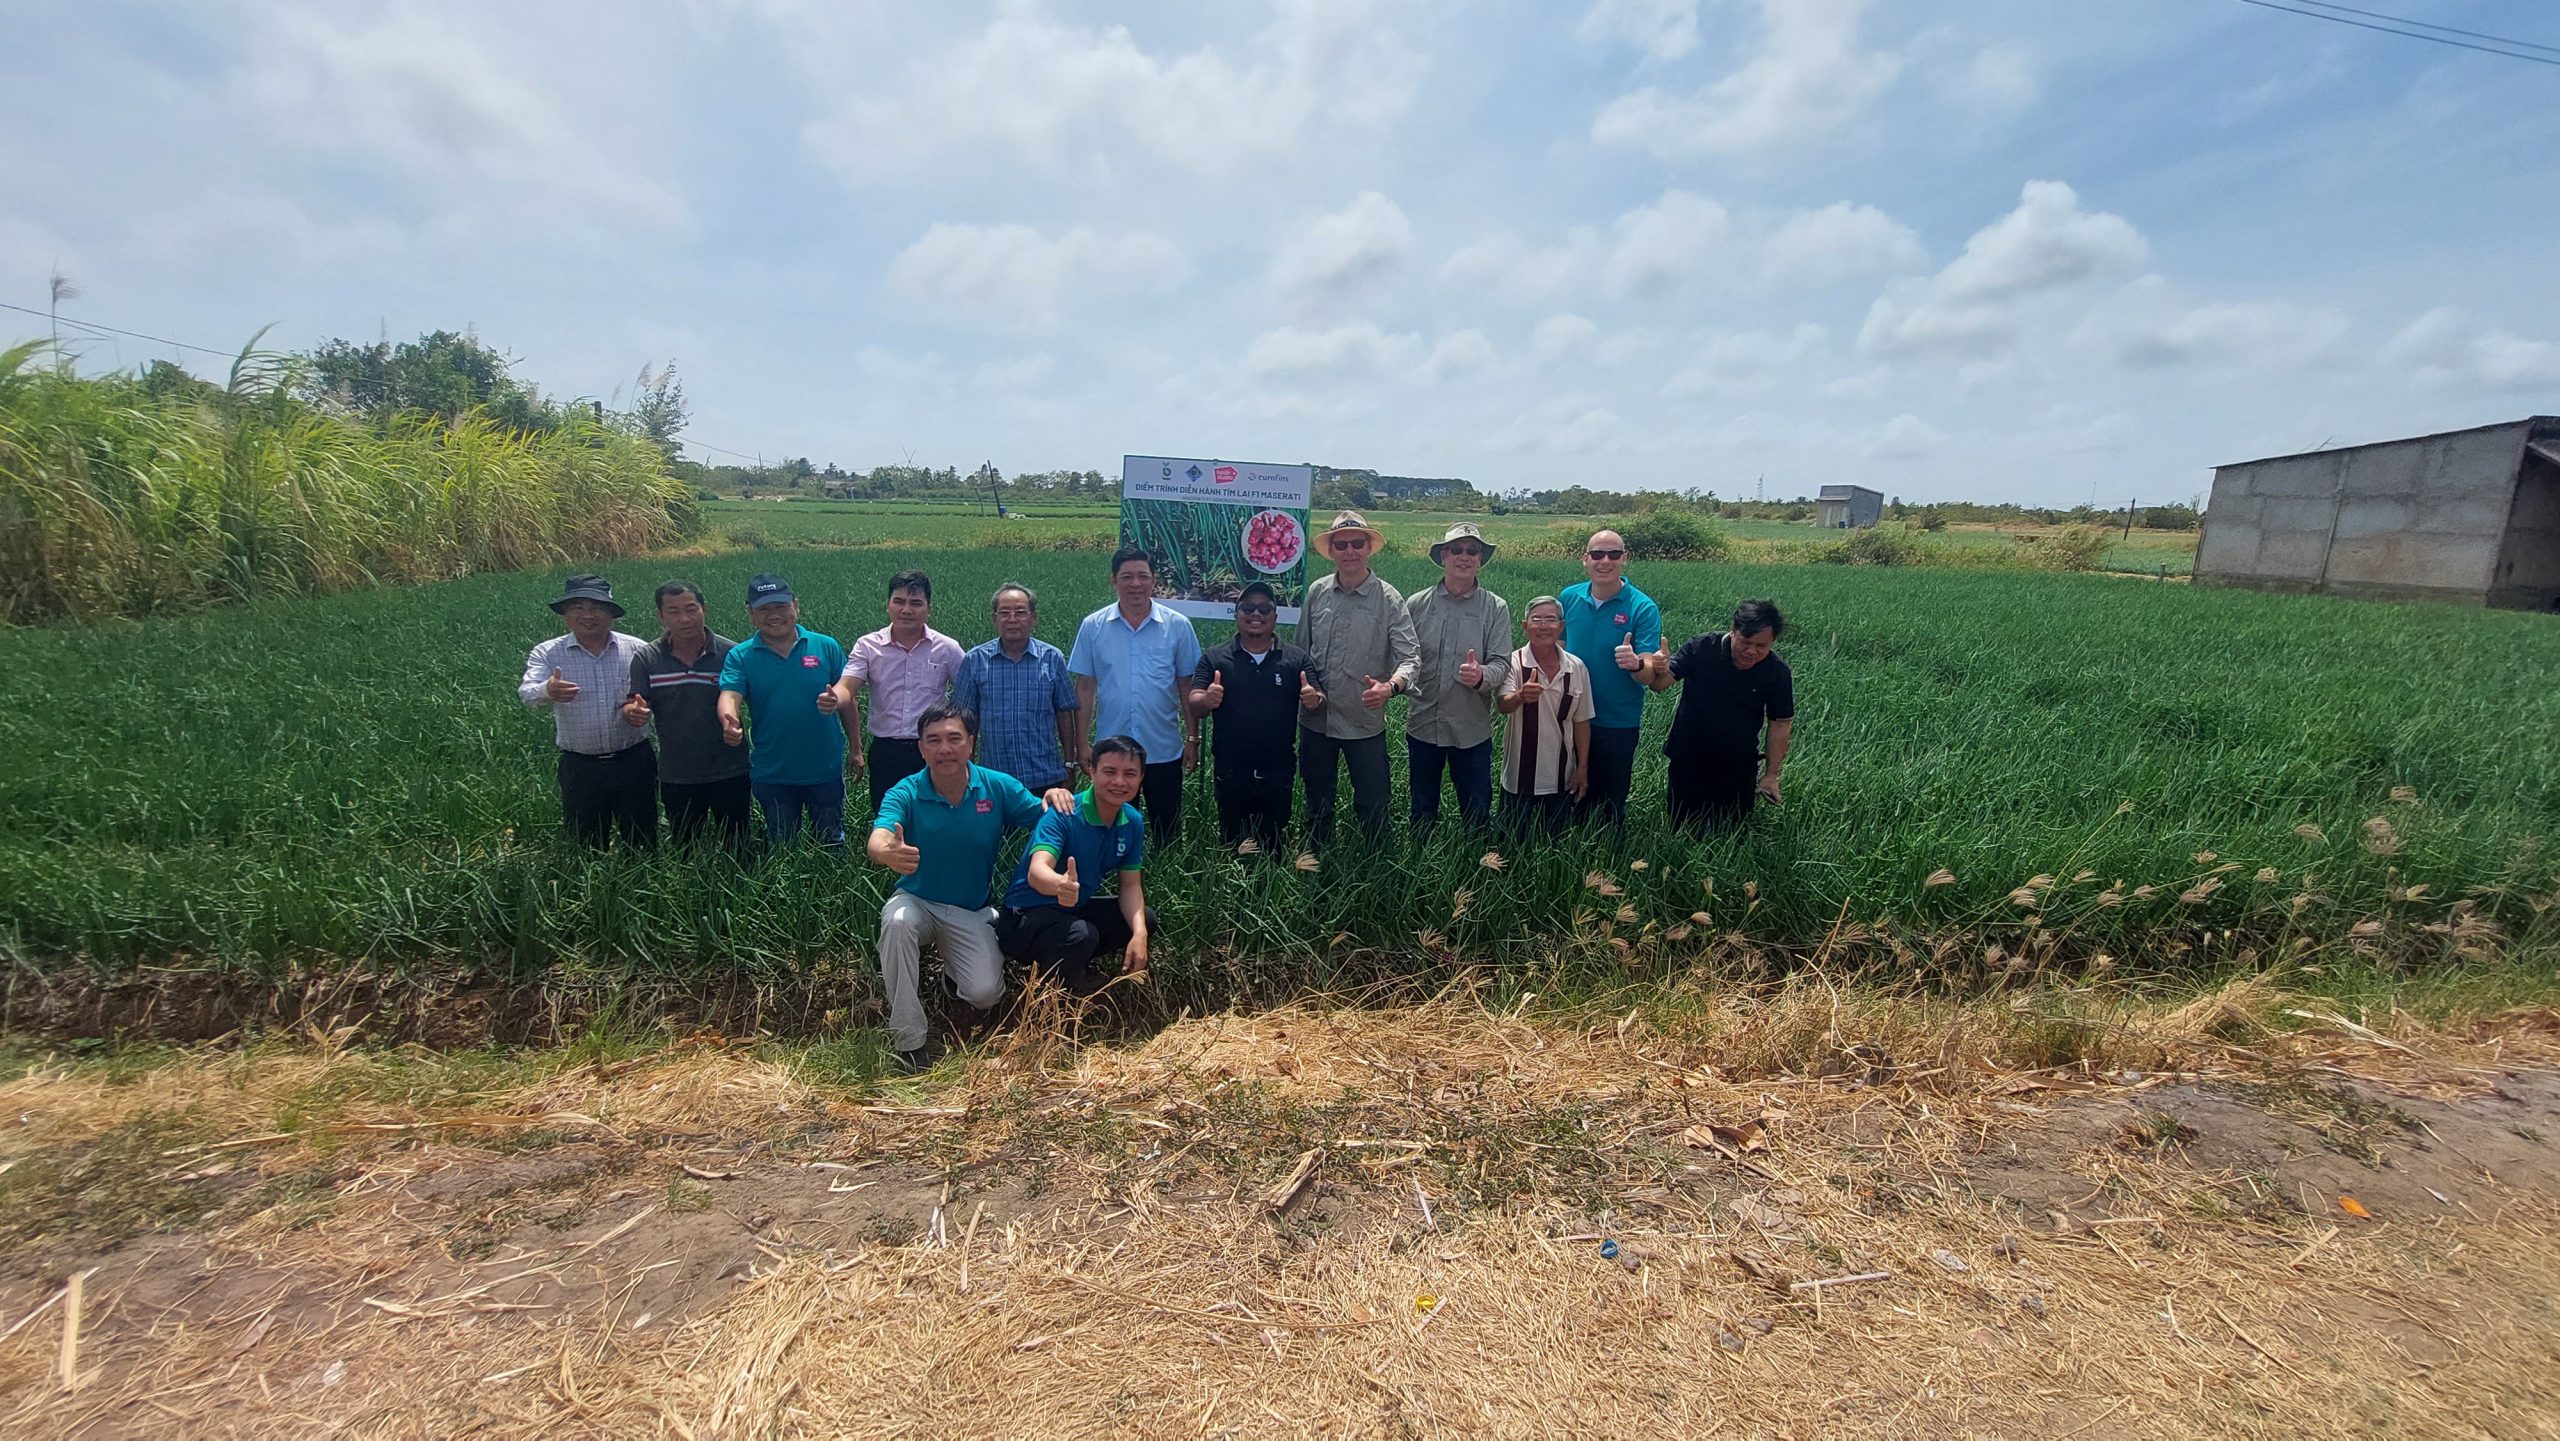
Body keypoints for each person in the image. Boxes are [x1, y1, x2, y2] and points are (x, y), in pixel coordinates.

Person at [866, 703, 1075, 1071]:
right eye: (933, 740)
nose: (944, 749)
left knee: (985, 994)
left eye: (954, 739)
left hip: (968, 909)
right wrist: (887, 851)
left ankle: (952, 976)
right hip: (918, 901)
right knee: (896, 921)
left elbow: (1044, 819)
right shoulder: (907, 791)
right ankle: (909, 1042)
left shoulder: (996, 786)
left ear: (971, 743)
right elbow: (879, 838)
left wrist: (1055, 798)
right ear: (921, 748)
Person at [994, 735, 1157, 996]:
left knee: (1144, 919)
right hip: (1023, 918)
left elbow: (1130, 885)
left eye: (1130, 773)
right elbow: (1037, 872)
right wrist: (1059, 884)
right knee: (1082, 934)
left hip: (1071, 911)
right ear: (1091, 770)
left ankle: (1074, 970)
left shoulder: (1132, 821)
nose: (1119, 782)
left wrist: (1140, 934)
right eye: (1109, 772)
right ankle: (1049, 1001)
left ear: (1141, 778)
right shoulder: (1064, 812)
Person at [1297, 511, 1418, 844]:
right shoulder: (1317, 593)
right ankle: (1317, 864)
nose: (1349, 551)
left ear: (1368, 548)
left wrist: (1390, 687)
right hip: (1316, 721)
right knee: (1317, 802)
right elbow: (1301, 655)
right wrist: (1306, 689)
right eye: (1341, 544)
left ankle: (1377, 870)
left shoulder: (1389, 599)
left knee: (1373, 803)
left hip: (1363, 722)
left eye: (1356, 543)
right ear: (1332, 550)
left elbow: (1410, 658)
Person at [1068, 548, 1202, 844]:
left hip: (1163, 748)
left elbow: (1186, 686)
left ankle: (1162, 883)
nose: (1135, 584)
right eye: (1127, 577)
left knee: (1166, 831)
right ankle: (1117, 884)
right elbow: (1085, 687)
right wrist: (1081, 744)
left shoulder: (1177, 626)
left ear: (1154, 580)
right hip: (1112, 750)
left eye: (1143, 576)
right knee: (1113, 833)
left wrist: (1192, 739)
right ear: (1113, 581)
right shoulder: (1094, 626)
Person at [519, 573, 656, 850]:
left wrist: (640, 709)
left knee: (642, 843)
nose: (587, 615)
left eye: (595, 607)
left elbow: (653, 696)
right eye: (577, 607)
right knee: (585, 846)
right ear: (565, 614)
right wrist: (548, 690)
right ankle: (594, 893)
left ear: (610, 613)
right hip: (580, 767)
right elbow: (527, 694)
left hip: (634, 761)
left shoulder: (637, 650)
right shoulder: (548, 653)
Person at [716, 573, 855, 846]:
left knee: (832, 845)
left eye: (781, 607)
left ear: (795, 606)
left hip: (824, 769)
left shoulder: (825, 646)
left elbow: (847, 699)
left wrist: (856, 747)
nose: (774, 615)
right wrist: (728, 719)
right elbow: (730, 694)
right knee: (783, 848)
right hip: (774, 773)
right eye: (764, 609)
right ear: (751, 614)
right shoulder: (741, 655)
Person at [1187, 580, 1323, 849]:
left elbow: (1319, 701)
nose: (1256, 614)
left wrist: (1314, 700)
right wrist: (1207, 699)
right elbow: (1194, 701)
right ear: (1236, 614)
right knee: (1230, 841)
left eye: (1264, 609)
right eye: (1248, 608)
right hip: (1231, 770)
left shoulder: (1296, 660)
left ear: (1275, 616)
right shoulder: (1215, 658)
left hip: (1277, 771)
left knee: (1273, 844)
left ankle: (1267, 890)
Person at [1646, 598, 1795, 831]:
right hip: (1689, 758)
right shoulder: (1701, 648)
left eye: (1762, 646)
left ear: (1773, 642)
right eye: (1746, 642)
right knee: (1681, 829)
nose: (1752, 651)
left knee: (1731, 833)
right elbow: (1659, 685)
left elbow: (1780, 723)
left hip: (1739, 765)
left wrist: (1771, 774)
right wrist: (1659, 668)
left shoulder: (1776, 672)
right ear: (1733, 630)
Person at [623, 580, 751, 848]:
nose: (684, 619)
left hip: (730, 770)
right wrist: (633, 712)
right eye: (673, 611)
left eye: (691, 609)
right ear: (660, 616)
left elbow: (756, 701)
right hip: (677, 774)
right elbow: (635, 703)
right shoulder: (647, 658)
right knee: (687, 850)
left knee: (738, 848)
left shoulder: (732, 653)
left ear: (704, 609)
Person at [1402, 522, 1512, 829]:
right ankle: (1421, 869)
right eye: (1456, 550)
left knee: (1477, 813)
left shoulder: (1495, 608)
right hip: (1424, 725)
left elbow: (1502, 663)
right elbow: (1404, 657)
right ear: (1443, 556)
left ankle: (1476, 871)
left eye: (1472, 551)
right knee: (1422, 812)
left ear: (1480, 559)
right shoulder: (1416, 604)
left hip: (1471, 729)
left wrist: (1480, 676)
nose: (1464, 557)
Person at [1558, 528, 1664, 829]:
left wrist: (1634, 664)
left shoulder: (1642, 607)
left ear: (1624, 559)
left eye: (1613, 554)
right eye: (1597, 554)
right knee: (1567, 798)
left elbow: (1647, 674)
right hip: (1569, 716)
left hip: (1615, 723)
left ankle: (1607, 867)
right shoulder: (1569, 597)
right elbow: (1559, 649)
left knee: (1607, 807)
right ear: (1585, 559)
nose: (1605, 561)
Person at [832, 570, 962, 814]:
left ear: (929, 609)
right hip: (886, 751)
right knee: (889, 818)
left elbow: (967, 694)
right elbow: (847, 685)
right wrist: (835, 698)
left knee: (936, 817)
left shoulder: (947, 648)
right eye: (899, 602)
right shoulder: (868, 645)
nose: (907, 610)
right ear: (888, 605)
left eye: (916, 603)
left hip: (933, 749)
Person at [951, 583, 1080, 793]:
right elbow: (964, 719)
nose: (1012, 619)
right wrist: (966, 768)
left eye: (1020, 613)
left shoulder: (1052, 658)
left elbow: (1065, 713)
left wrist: (1069, 764)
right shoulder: (975, 660)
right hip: (994, 778)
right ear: (994, 619)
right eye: (1004, 613)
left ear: (1033, 618)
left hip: (1045, 776)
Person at [1496, 595, 1594, 834]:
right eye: (1536, 619)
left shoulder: (1576, 667)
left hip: (1562, 776)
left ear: (1561, 627)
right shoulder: (1513, 662)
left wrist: (1583, 768)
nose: (1543, 626)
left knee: (1553, 844)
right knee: (1511, 844)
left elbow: (1581, 721)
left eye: (1550, 620)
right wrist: (1520, 695)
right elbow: (1503, 705)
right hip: (1518, 777)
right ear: (1525, 626)